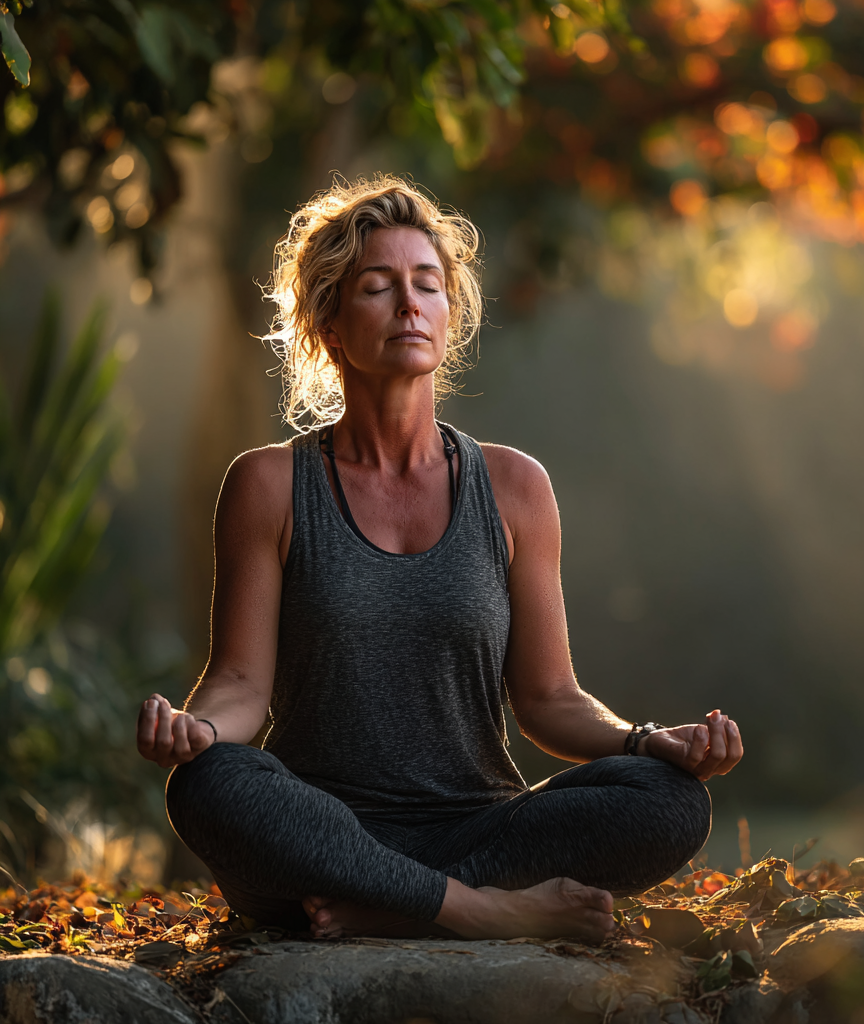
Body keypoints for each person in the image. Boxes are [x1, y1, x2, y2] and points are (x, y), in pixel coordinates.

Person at [136, 176, 743, 943]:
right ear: (328, 322)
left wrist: (647, 741)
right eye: (378, 287)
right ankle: (474, 912)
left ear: (450, 315)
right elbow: (240, 686)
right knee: (211, 784)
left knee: (671, 799)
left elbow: (551, 699)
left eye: (427, 285)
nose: (409, 305)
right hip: (320, 836)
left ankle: (399, 905)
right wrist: (197, 732)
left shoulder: (515, 487)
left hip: (480, 833)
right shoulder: (269, 484)